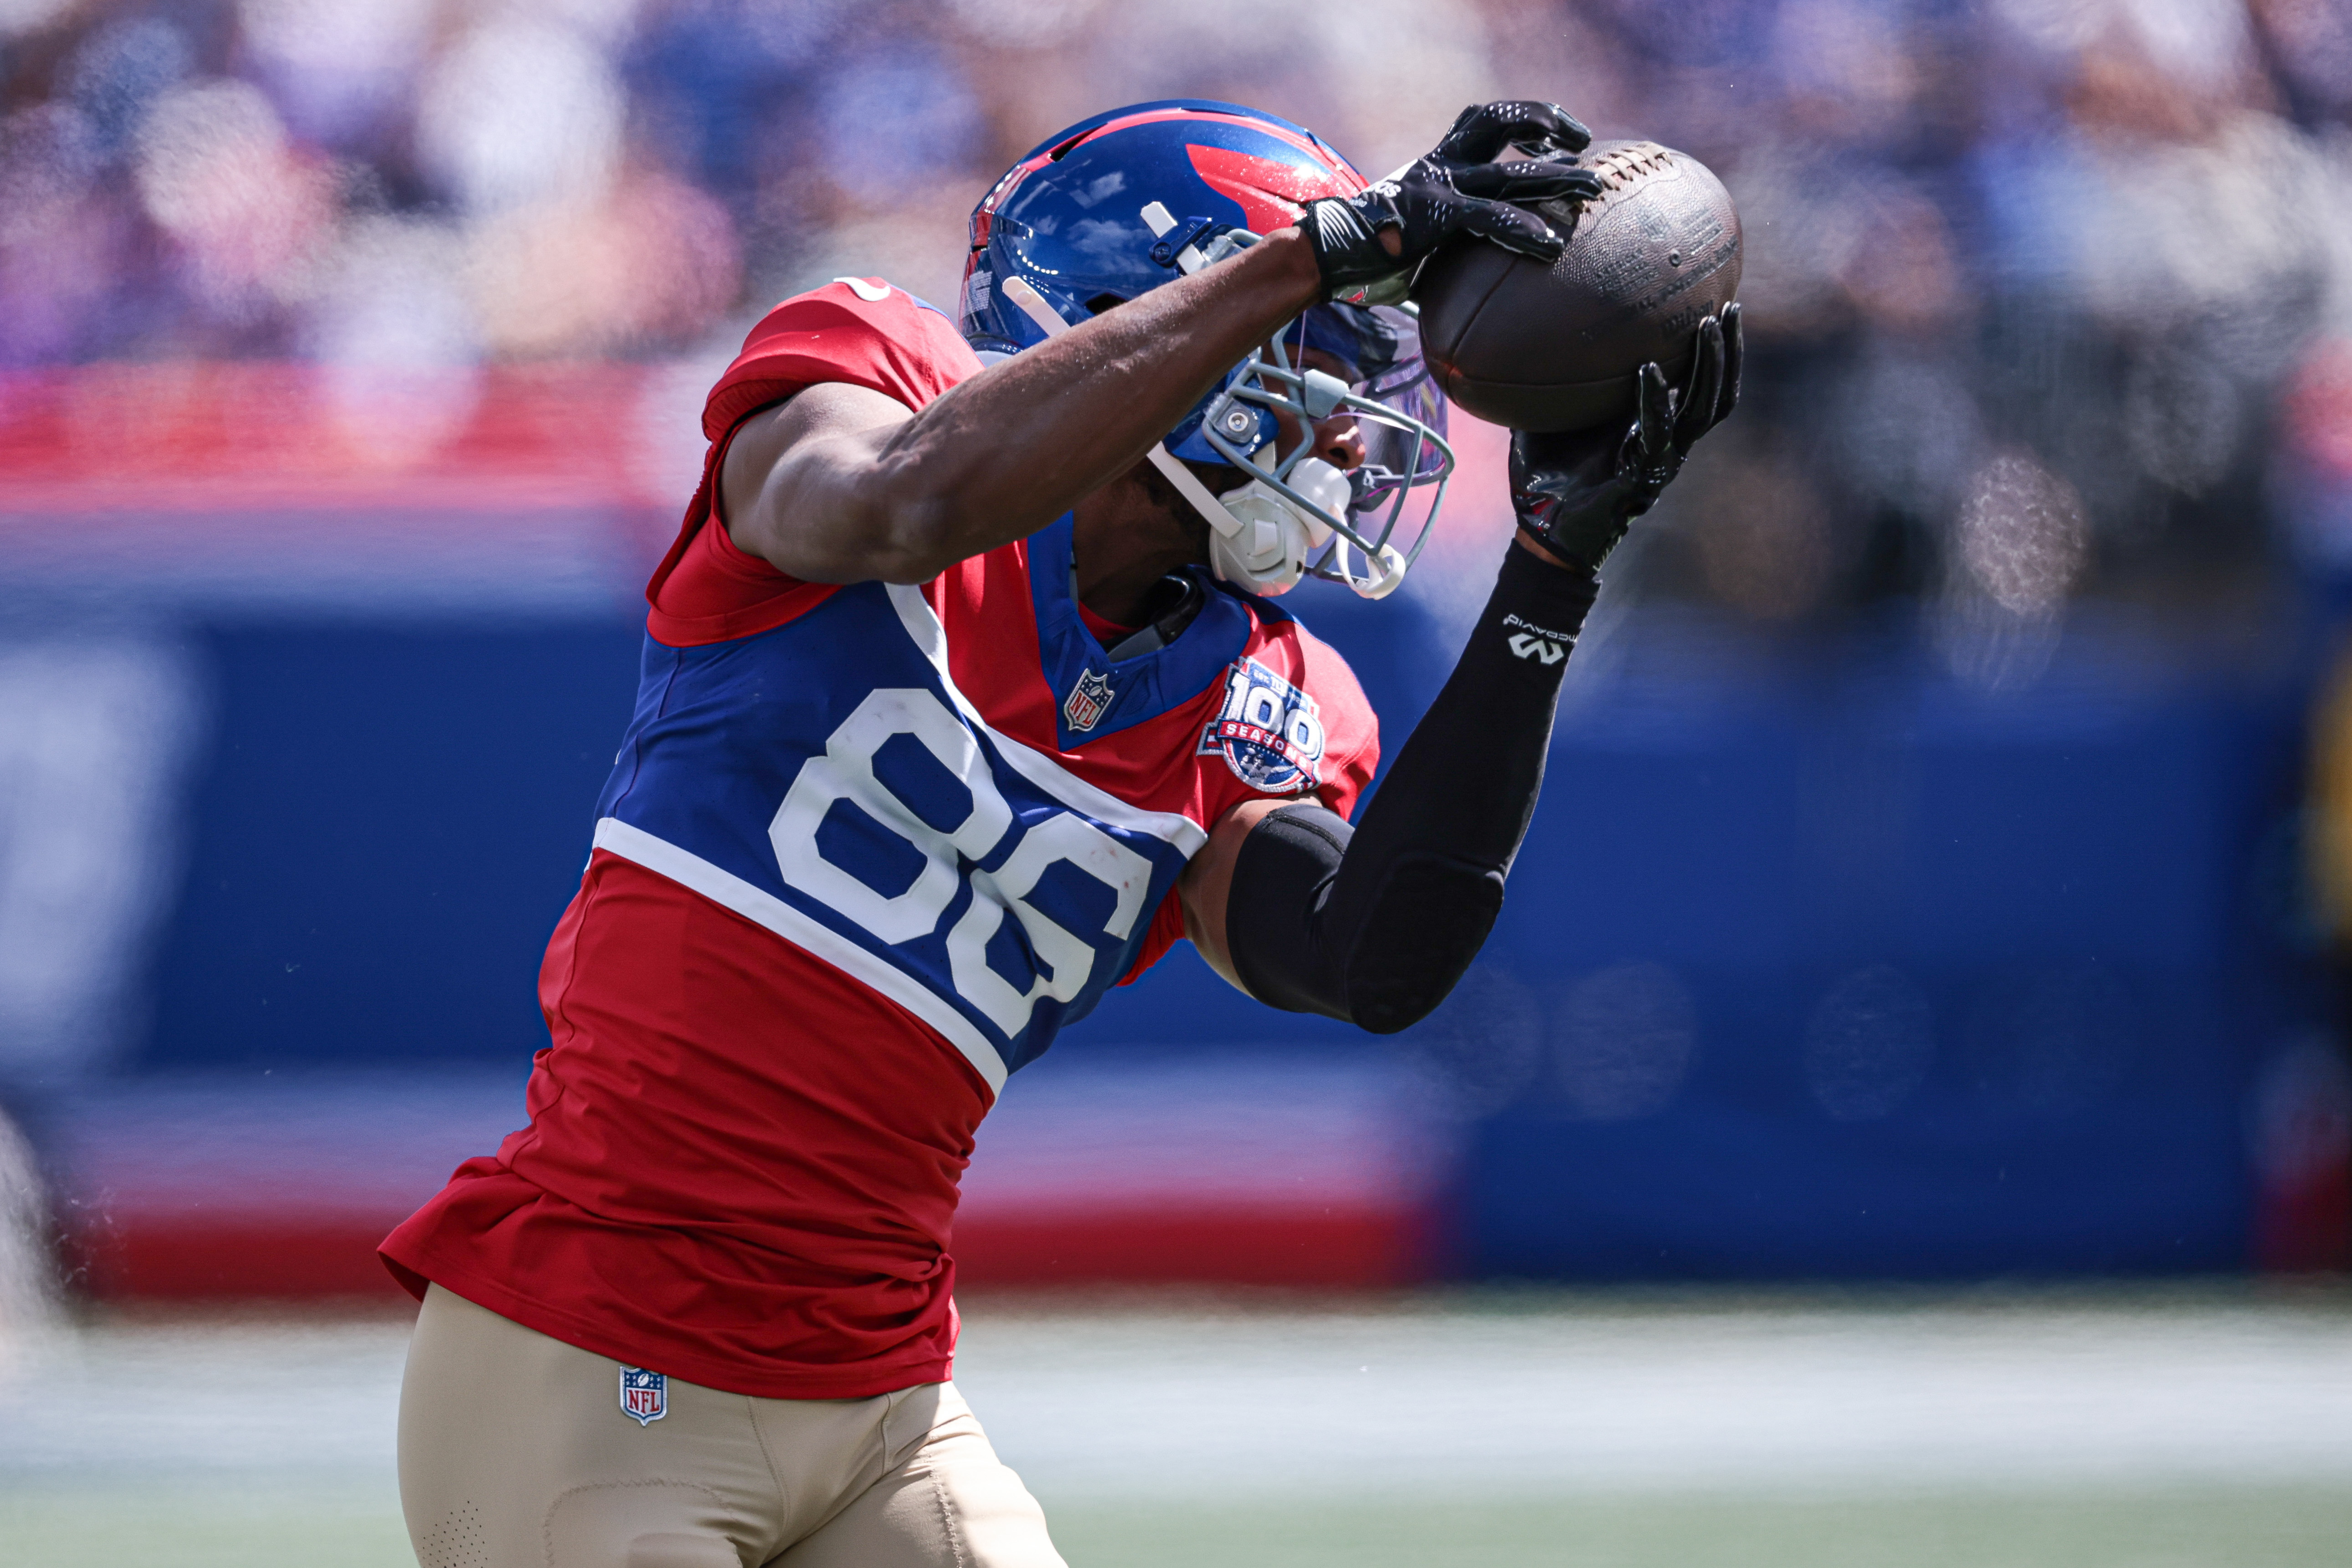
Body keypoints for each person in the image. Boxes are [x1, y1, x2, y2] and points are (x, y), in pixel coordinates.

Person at [382, 98, 1738, 1568]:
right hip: (597, 1362)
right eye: (1317, 368)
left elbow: (1371, 959)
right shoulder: (868, 377)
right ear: (1149, 304)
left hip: (883, 1404)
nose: (1350, 425)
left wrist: (1548, 573)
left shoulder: (1261, 692)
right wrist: (1303, 262)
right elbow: (896, 508)